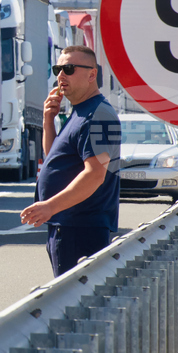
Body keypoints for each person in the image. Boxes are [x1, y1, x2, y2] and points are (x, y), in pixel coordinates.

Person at [21, 45, 120, 276]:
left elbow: (95, 174)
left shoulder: (98, 115)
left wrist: (49, 206)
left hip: (82, 229)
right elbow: (54, 160)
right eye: (58, 69)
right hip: (67, 225)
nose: (61, 76)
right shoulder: (80, 111)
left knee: (76, 296)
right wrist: (48, 121)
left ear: (92, 74)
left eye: (69, 69)